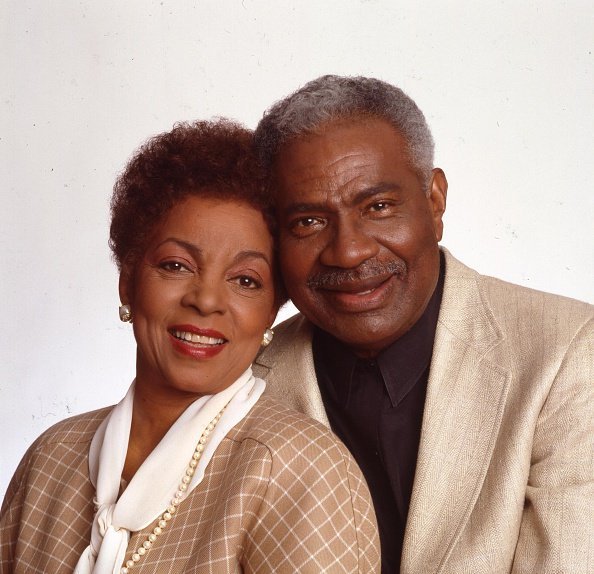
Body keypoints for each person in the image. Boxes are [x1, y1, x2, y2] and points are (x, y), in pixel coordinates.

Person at [0, 119, 380, 573]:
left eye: (245, 280)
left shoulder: (299, 470)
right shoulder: (51, 458)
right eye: (177, 265)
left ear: (271, 312)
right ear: (128, 283)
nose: (205, 300)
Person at [252, 75, 594, 573]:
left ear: (434, 202)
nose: (349, 250)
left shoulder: (564, 350)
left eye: (379, 207)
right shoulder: (244, 378)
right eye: (308, 221)